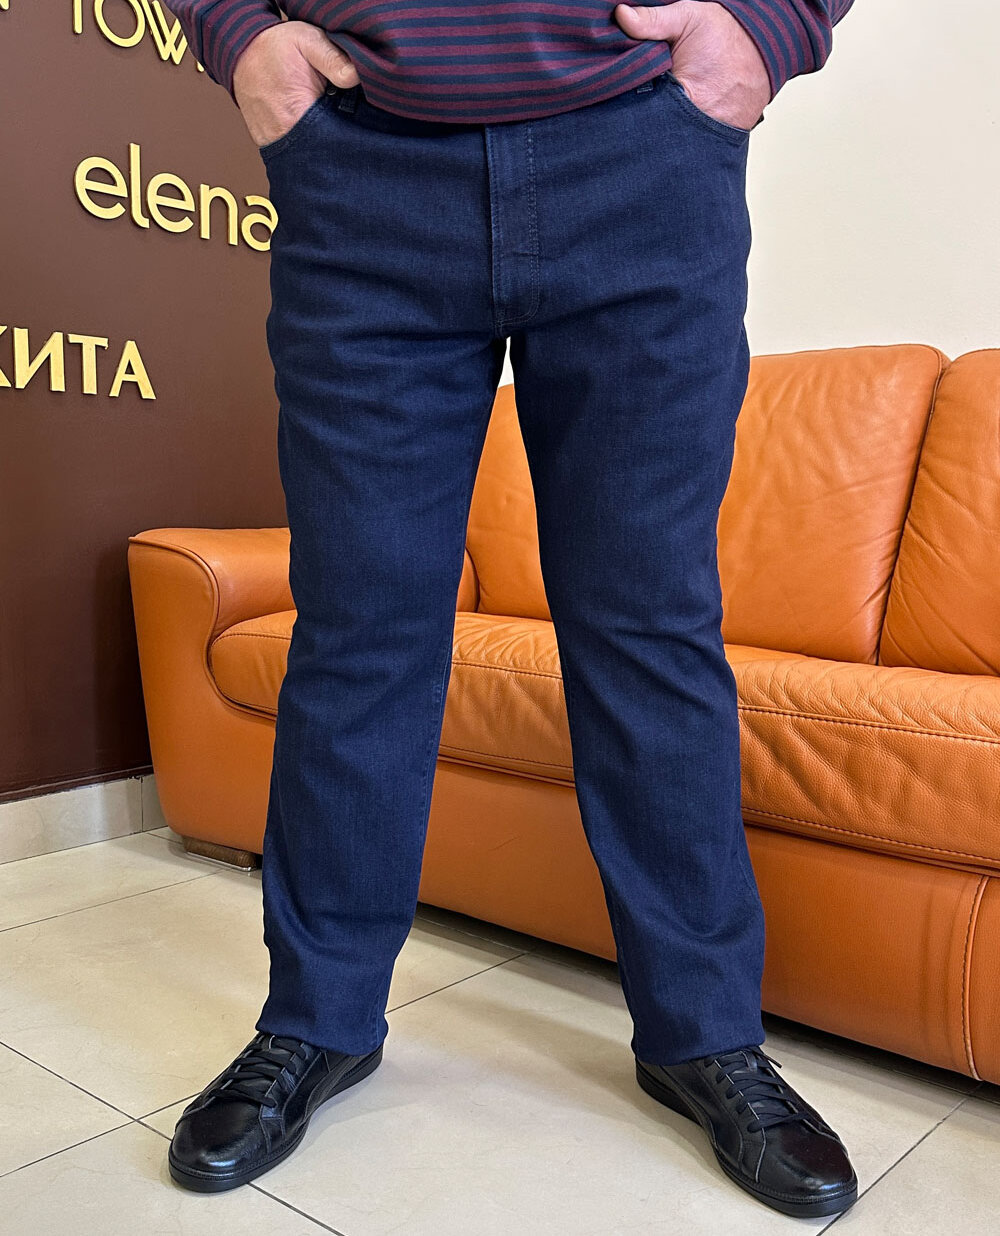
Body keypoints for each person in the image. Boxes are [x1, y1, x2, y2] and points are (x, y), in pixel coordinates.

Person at [163, 0, 859, 1217]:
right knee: (357, 632)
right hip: (363, 164)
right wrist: (237, 35)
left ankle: (703, 1033)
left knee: (648, 632)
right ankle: (316, 1018)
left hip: (641, 154)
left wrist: (768, 26)